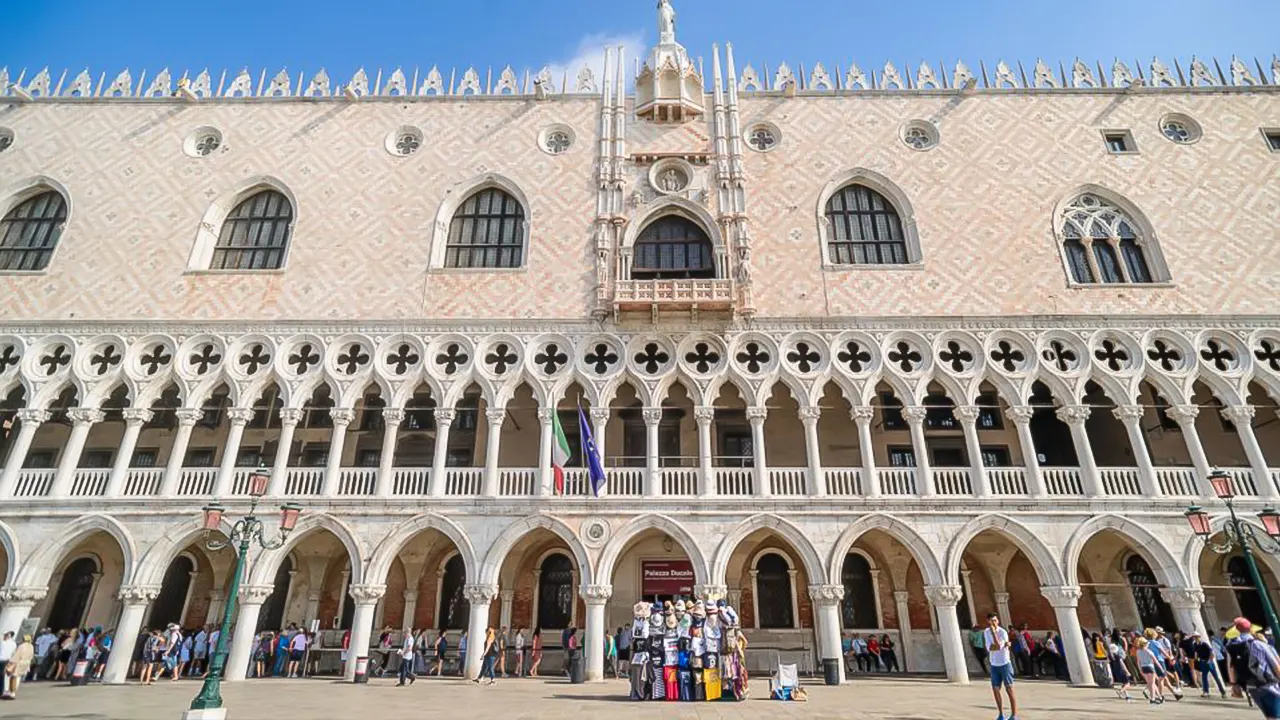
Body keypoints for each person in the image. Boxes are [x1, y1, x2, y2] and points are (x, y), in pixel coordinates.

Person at [1227, 616, 1280, 718]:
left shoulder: (1231, 647)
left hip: (1251, 687)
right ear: (1250, 628)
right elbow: (1276, 665)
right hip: (1269, 685)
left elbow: (1231, 668)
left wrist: (1234, 685)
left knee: (1269, 716)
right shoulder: (1259, 644)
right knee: (1276, 716)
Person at [983, 613, 1018, 720]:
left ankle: (1013, 715)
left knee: (1009, 689)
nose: (994, 622)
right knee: (996, 689)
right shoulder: (986, 632)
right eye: (991, 621)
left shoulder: (1002, 632)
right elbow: (990, 648)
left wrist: (994, 634)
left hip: (1004, 663)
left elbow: (998, 646)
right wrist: (994, 642)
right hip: (994, 664)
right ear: (988, 621)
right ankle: (1001, 714)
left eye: (995, 620)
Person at [1191, 631, 1226, 698]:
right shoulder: (1195, 645)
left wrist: (1209, 660)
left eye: (1196, 637)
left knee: (1216, 677)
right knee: (1204, 677)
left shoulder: (1204, 644)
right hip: (1202, 662)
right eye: (1194, 637)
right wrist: (1196, 659)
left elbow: (1211, 653)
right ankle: (1206, 692)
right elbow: (1196, 653)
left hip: (1208, 662)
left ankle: (1223, 692)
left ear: (1199, 637)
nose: (1195, 638)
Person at [1135, 636, 1164, 704]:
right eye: (1147, 643)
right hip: (1150, 667)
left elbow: (1138, 662)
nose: (1148, 644)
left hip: (1143, 668)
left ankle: (1159, 697)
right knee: (1152, 684)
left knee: (1151, 684)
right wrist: (1161, 669)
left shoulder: (1138, 651)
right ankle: (1152, 698)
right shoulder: (1149, 651)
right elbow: (1156, 661)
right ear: (1145, 644)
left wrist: (1140, 670)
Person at [4, 634, 33, 699]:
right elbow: (31, 656)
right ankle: (13, 691)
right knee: (19, 676)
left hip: (19, 663)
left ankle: (12, 692)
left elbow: (17, 655)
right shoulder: (31, 646)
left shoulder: (22, 646)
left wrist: (10, 662)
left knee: (14, 676)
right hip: (26, 662)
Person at [1107, 629, 1133, 701]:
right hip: (1121, 668)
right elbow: (1121, 662)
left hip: (1116, 668)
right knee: (1127, 684)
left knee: (1123, 683)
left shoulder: (1111, 649)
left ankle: (1126, 695)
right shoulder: (1118, 655)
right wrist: (1127, 671)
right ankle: (1120, 691)